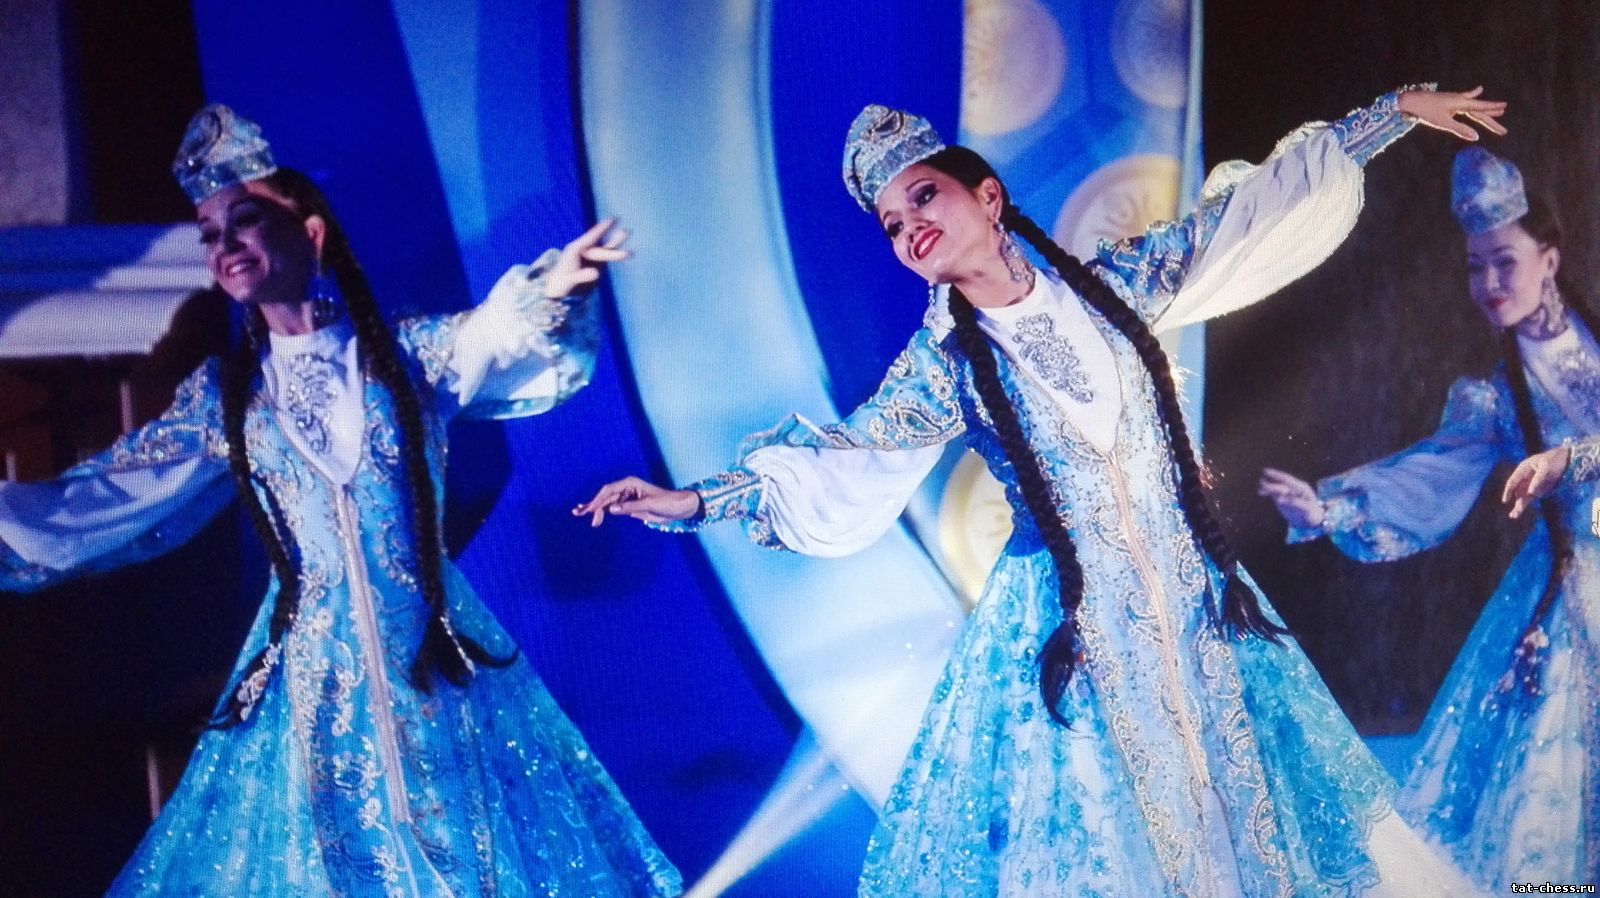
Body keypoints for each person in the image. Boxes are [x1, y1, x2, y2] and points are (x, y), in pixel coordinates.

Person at [576, 87, 1505, 896]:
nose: (910, 228)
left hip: (1194, 609)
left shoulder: (1117, 283)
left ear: (988, 195)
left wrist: (1390, 115)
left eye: (923, 196)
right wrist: (696, 500)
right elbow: (845, 459)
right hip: (1074, 634)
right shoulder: (943, 364)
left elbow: (1249, 215)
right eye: (892, 225)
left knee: (1245, 822)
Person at [0, 105, 681, 897]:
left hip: (435, 663)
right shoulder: (228, 400)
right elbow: (104, 498)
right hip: (316, 686)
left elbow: (491, 337)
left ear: (312, 233)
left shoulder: (404, 360)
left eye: (245, 221)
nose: (225, 245)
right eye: (210, 235)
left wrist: (551, 288)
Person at [1260, 147, 1600, 891]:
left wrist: (1572, 460)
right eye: (1475, 267)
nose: (1489, 284)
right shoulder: (1495, 397)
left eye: (1504, 263)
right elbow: (1428, 477)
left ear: (1549, 259)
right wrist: (1328, 509)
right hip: (1570, 591)